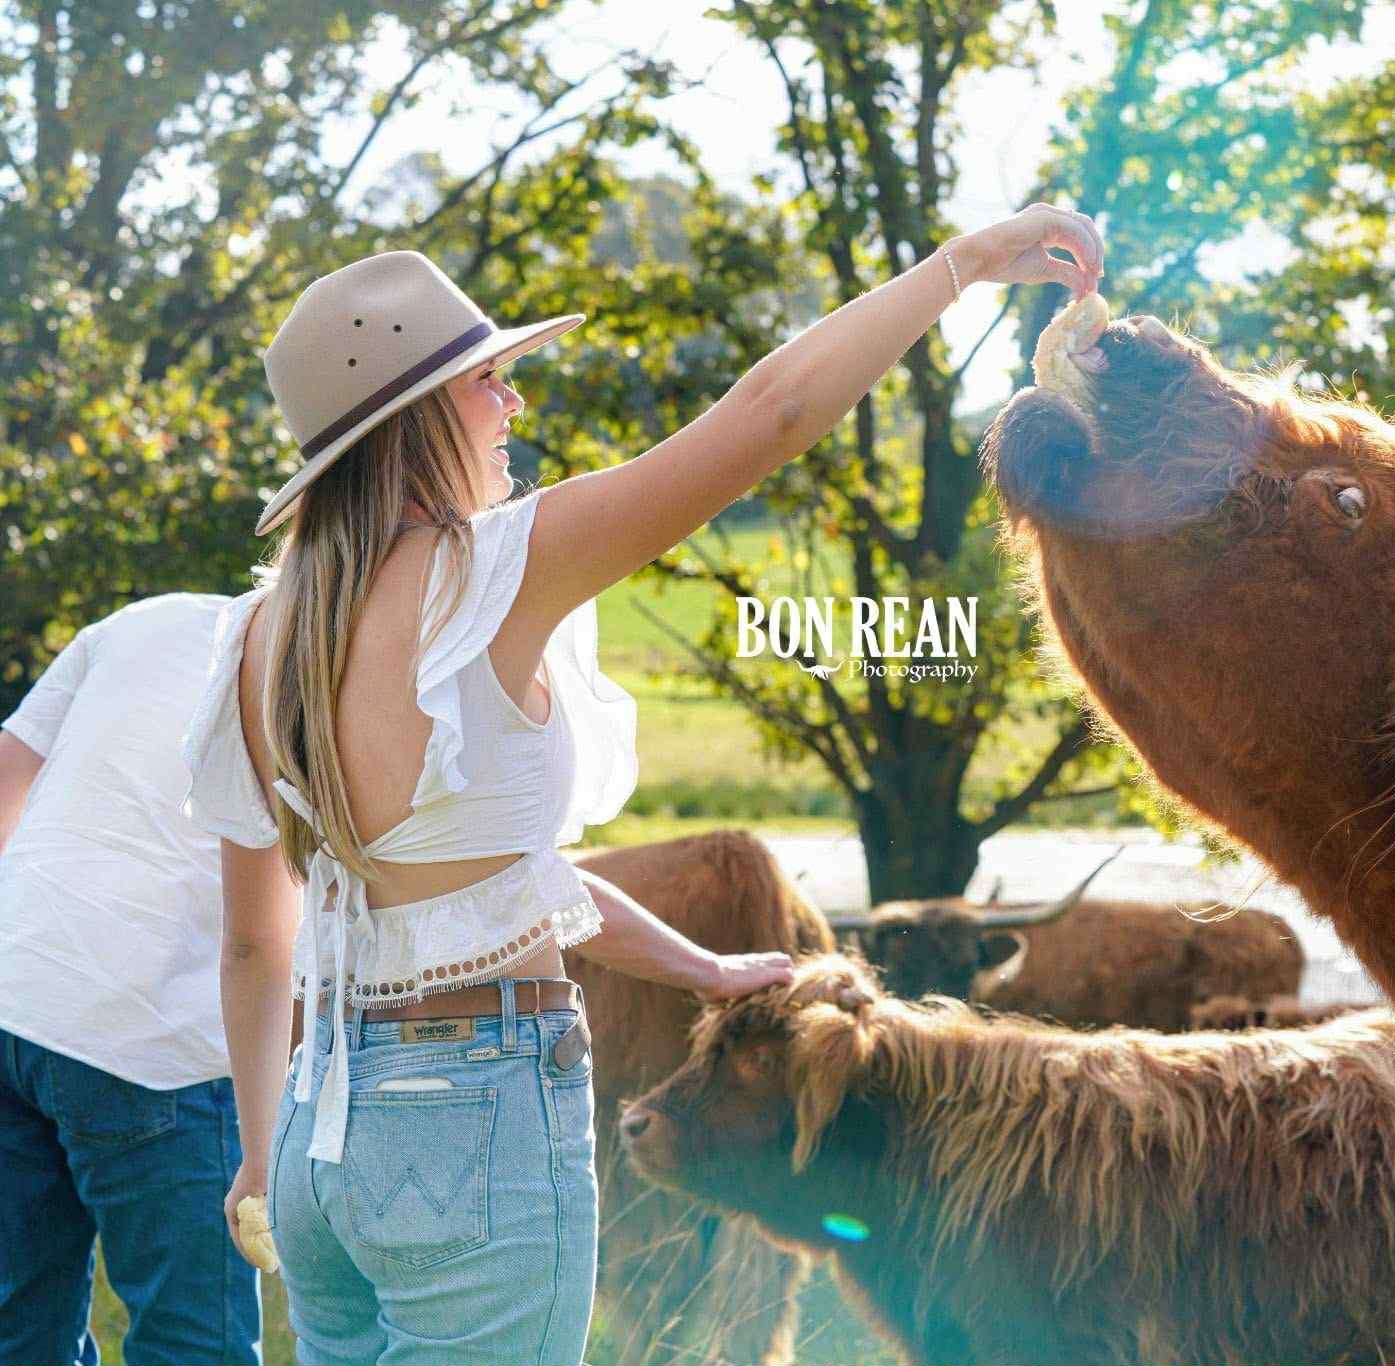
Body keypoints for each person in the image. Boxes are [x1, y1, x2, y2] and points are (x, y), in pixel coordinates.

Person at [187, 205, 1104, 1364]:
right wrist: (962, 266)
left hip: (322, 1138)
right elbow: (770, 416)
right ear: (415, 422)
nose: (511, 401)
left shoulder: (259, 635)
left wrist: (704, 968)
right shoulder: (496, 571)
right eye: (486, 382)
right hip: (475, 1115)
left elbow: (274, 944)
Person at [0, 594, 267, 1366]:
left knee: (20, 1329)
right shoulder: (332, 656)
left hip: (16, 995)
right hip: (156, 1037)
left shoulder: (142, 621)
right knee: (192, 1343)